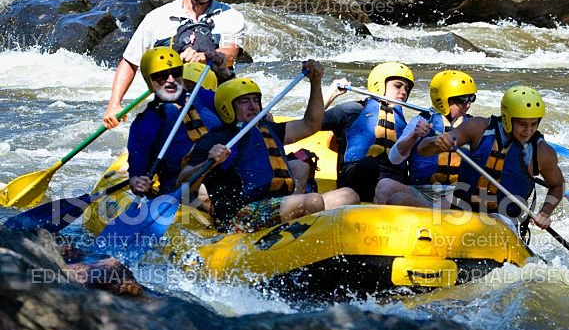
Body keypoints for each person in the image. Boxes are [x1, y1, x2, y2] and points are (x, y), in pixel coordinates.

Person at [178, 60, 359, 233]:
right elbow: (184, 183)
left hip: (276, 204)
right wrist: (211, 161)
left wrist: (315, 82)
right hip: (240, 215)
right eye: (244, 101)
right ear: (227, 107)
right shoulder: (216, 139)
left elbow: (311, 125)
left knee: (348, 196)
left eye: (255, 100)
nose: (253, 106)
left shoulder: (268, 129)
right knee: (312, 202)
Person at [103, 0, 245, 129]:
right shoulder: (157, 18)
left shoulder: (230, 15)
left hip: (217, 103)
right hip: (173, 105)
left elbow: (230, 54)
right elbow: (130, 61)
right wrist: (114, 103)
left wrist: (204, 56)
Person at [418, 86, 564, 233]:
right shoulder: (478, 127)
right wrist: (435, 142)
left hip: (503, 222)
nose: (528, 131)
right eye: (522, 124)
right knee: (401, 197)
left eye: (534, 124)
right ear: (507, 118)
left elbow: (558, 185)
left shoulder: (542, 152)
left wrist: (545, 213)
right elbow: (423, 150)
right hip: (461, 212)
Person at [321, 62, 422, 203]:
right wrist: (332, 94)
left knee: (397, 185)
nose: (404, 92)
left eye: (407, 89)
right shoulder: (353, 110)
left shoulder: (409, 126)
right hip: (359, 174)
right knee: (369, 165)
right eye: (398, 86)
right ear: (378, 85)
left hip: (392, 178)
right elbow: (311, 122)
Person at [126, 48, 221, 197]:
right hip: (184, 190)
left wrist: (225, 72)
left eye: (176, 72)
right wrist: (138, 182)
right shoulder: (145, 123)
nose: (171, 80)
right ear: (149, 80)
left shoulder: (203, 96)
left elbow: (239, 111)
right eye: (161, 76)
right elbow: (136, 174)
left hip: (226, 174)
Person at [375, 69, 477, 208]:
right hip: (422, 191)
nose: (468, 105)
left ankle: (434, 213)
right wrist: (414, 135)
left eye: (471, 98)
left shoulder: (473, 126)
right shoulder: (420, 121)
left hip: (455, 194)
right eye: (463, 100)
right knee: (384, 187)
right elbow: (394, 158)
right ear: (443, 100)